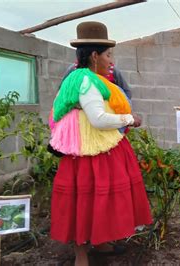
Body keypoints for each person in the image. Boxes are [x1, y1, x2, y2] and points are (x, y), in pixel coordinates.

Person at [49, 21, 152, 266]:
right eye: (108, 55)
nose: (110, 60)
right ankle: (81, 255)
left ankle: (101, 242)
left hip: (95, 148)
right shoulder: (86, 81)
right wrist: (130, 119)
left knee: (97, 199)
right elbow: (98, 119)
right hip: (89, 152)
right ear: (94, 56)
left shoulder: (85, 78)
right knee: (85, 200)